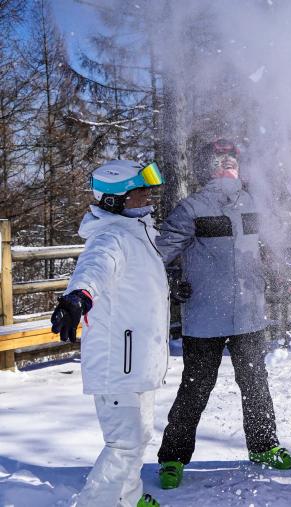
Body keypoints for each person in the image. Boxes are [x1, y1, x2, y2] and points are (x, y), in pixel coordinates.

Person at [155, 139, 291, 490]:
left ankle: (264, 447)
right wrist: (173, 281)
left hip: (248, 314)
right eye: (219, 160)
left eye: (232, 159)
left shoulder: (255, 204)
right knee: (195, 388)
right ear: (207, 167)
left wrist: (279, 272)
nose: (226, 165)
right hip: (204, 317)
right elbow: (159, 254)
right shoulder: (192, 208)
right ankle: (172, 457)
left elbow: (277, 244)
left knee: (255, 384)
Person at [51, 160, 168, 507]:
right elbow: (95, 268)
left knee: (139, 437)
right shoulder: (111, 237)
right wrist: (78, 297)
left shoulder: (139, 232)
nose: (147, 194)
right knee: (124, 444)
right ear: (115, 200)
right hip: (118, 362)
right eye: (139, 190)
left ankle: (128, 498)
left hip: (139, 358)